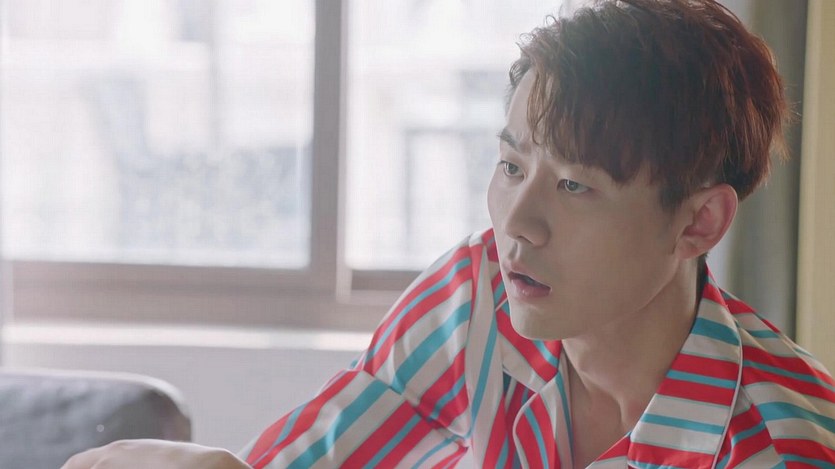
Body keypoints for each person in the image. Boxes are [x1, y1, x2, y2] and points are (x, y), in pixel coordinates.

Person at [63, 0, 835, 468]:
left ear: (698, 221)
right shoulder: (479, 298)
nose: (516, 223)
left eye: (574, 185)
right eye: (510, 166)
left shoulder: (780, 447)